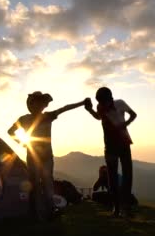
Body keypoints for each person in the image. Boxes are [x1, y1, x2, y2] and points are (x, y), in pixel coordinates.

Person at [8, 91, 89, 221]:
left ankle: (41, 212)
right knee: (44, 184)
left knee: (41, 184)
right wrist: (22, 143)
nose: (39, 106)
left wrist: (22, 143)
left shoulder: (26, 119)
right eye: (37, 103)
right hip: (41, 157)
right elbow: (65, 108)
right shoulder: (40, 117)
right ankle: (44, 212)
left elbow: (10, 132)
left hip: (37, 156)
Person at [84, 87, 137, 217]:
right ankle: (116, 208)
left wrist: (126, 124)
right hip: (110, 146)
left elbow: (133, 114)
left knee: (127, 175)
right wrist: (90, 109)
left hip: (124, 143)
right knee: (111, 177)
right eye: (100, 102)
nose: (101, 105)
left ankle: (126, 208)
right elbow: (98, 117)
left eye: (103, 102)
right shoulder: (100, 106)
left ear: (110, 99)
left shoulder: (120, 103)